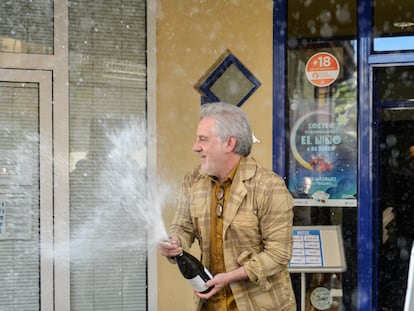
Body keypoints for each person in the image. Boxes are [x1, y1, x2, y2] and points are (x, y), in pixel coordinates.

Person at [159, 102, 296, 310]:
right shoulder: (193, 180)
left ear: (229, 143)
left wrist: (230, 277)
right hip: (209, 305)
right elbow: (183, 227)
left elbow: (279, 254)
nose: (195, 147)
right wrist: (176, 242)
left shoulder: (269, 186)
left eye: (203, 139)